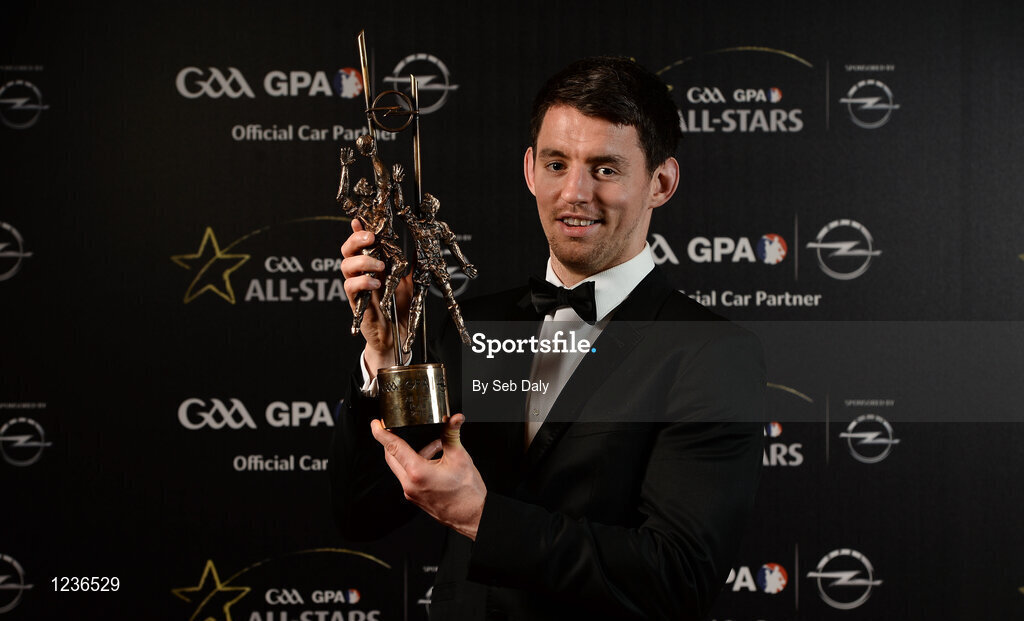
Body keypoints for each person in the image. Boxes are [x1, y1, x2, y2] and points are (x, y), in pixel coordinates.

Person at [331, 56, 764, 620]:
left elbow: (677, 578)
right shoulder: (470, 328)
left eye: (605, 169)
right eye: (557, 164)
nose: (574, 193)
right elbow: (364, 513)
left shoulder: (711, 354)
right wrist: (386, 357)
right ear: (530, 170)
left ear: (660, 183)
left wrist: (481, 517)